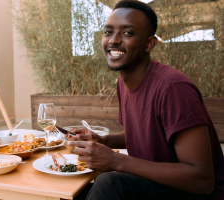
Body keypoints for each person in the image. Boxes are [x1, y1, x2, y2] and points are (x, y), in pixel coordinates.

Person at [68, 0, 224, 199]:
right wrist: (103, 141)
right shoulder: (123, 84)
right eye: (108, 32)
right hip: (155, 183)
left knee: (109, 183)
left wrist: (116, 160)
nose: (113, 40)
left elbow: (202, 181)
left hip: (192, 193)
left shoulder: (173, 89)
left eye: (128, 33)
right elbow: (145, 132)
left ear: (149, 44)